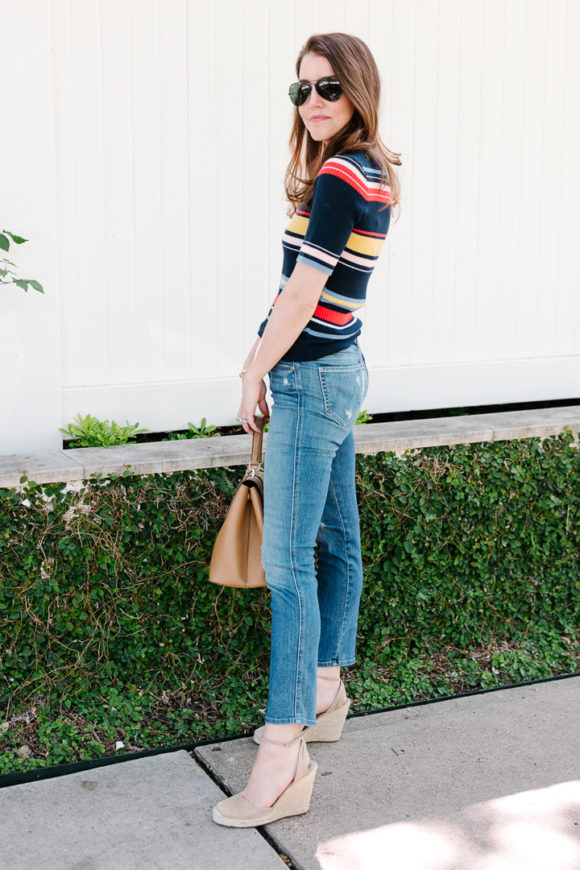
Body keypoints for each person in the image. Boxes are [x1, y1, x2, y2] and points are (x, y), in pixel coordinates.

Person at [213, 32, 401, 828]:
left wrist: (255, 369)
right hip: (342, 369)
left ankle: (284, 755)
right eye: (302, 90)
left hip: (308, 377)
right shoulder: (376, 169)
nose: (314, 102)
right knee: (335, 539)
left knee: (290, 567)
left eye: (328, 87)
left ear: (358, 89)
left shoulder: (336, 174)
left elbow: (301, 294)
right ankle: (324, 689)